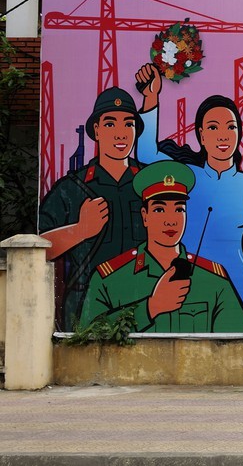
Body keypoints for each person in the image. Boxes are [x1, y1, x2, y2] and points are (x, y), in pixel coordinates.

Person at [38, 66, 161, 328]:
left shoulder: (150, 183)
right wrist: (80, 231)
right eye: (110, 123)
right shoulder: (73, 188)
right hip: (87, 307)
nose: (120, 133)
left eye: (128, 124)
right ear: (96, 129)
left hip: (146, 302)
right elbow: (38, 249)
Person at [149, 92, 243, 327]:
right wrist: (151, 99)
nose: (223, 136)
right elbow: (146, 154)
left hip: (239, 284)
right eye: (213, 128)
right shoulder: (187, 175)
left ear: (239, 134)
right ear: (201, 136)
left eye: (230, 127)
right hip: (189, 282)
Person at [78, 160, 243, 334]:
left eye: (179, 209)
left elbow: (238, 348)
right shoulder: (109, 279)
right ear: (145, 216)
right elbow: (87, 338)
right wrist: (151, 307)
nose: (171, 220)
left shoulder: (214, 280)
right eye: (159, 209)